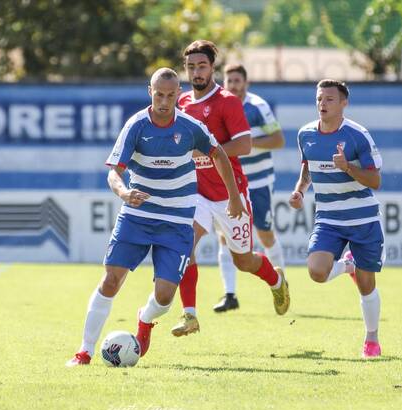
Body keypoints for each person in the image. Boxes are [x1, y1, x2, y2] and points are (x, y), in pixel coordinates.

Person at [67, 67, 246, 366]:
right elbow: (115, 172)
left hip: (176, 222)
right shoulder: (136, 126)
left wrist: (234, 196)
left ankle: (145, 318)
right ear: (150, 92)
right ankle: (84, 351)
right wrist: (124, 193)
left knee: (164, 297)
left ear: (179, 94)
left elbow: (219, 155)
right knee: (111, 280)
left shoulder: (191, 127)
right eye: (159, 94)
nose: (164, 101)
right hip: (137, 216)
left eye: (170, 95)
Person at [172, 40, 290, 338]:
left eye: (201, 66)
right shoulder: (182, 103)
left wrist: (208, 153)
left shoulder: (227, 101)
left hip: (229, 193)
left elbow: (244, 144)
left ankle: (276, 282)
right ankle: (190, 315)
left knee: (244, 260)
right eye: (190, 67)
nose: (195, 72)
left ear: (212, 68)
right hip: (196, 192)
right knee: (183, 246)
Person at [289, 79, 384, 358]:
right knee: (317, 272)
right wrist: (299, 191)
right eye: (319, 99)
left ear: (344, 103)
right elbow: (307, 170)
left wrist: (348, 167)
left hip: (362, 219)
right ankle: (347, 267)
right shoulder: (306, 134)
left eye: (330, 99)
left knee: (367, 285)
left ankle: (371, 339)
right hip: (328, 218)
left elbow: (375, 180)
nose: (323, 104)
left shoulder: (357, 135)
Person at [213, 64, 287, 313]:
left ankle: (281, 283)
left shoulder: (257, 107)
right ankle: (230, 294)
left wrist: (246, 142)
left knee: (264, 233)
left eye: (237, 80)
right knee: (224, 235)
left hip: (258, 180)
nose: (233, 85)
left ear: (246, 83)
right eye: (229, 80)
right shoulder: (220, 106)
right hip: (231, 181)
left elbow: (279, 139)